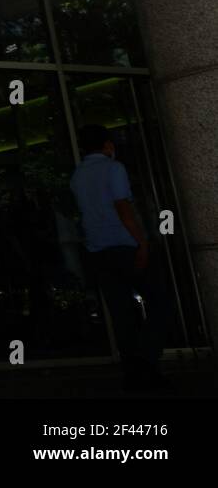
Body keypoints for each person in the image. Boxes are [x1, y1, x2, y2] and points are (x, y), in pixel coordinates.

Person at [70, 124, 165, 391]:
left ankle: (133, 369)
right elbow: (123, 208)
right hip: (124, 244)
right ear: (107, 144)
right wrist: (142, 242)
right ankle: (146, 360)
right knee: (159, 303)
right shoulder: (114, 168)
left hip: (99, 249)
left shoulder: (78, 175)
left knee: (121, 313)